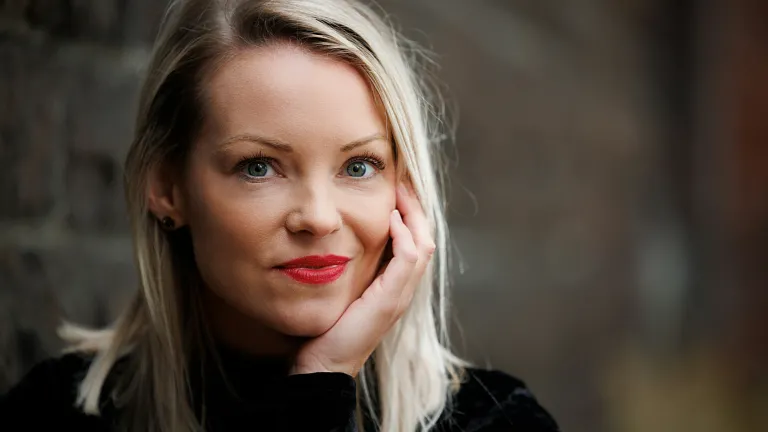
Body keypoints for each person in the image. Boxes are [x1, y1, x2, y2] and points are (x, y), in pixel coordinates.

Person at [0, 0, 559, 430]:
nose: (318, 218)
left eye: (359, 166)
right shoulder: (54, 413)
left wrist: (322, 384)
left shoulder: (494, 422)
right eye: (259, 167)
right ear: (167, 187)